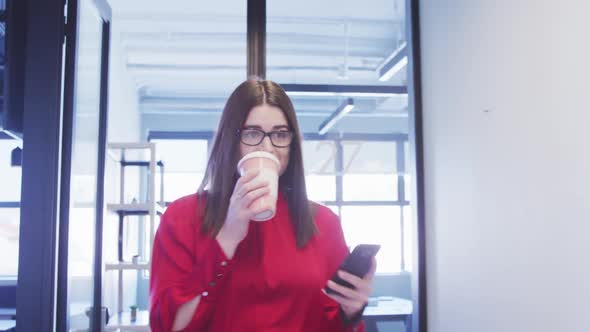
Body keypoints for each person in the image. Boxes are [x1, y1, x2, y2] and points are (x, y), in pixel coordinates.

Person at [149, 78, 376, 332]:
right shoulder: (183, 217)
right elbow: (168, 326)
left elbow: (331, 324)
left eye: (280, 134)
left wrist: (351, 313)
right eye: (252, 133)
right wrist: (227, 237)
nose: (268, 147)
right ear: (231, 141)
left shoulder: (323, 222)